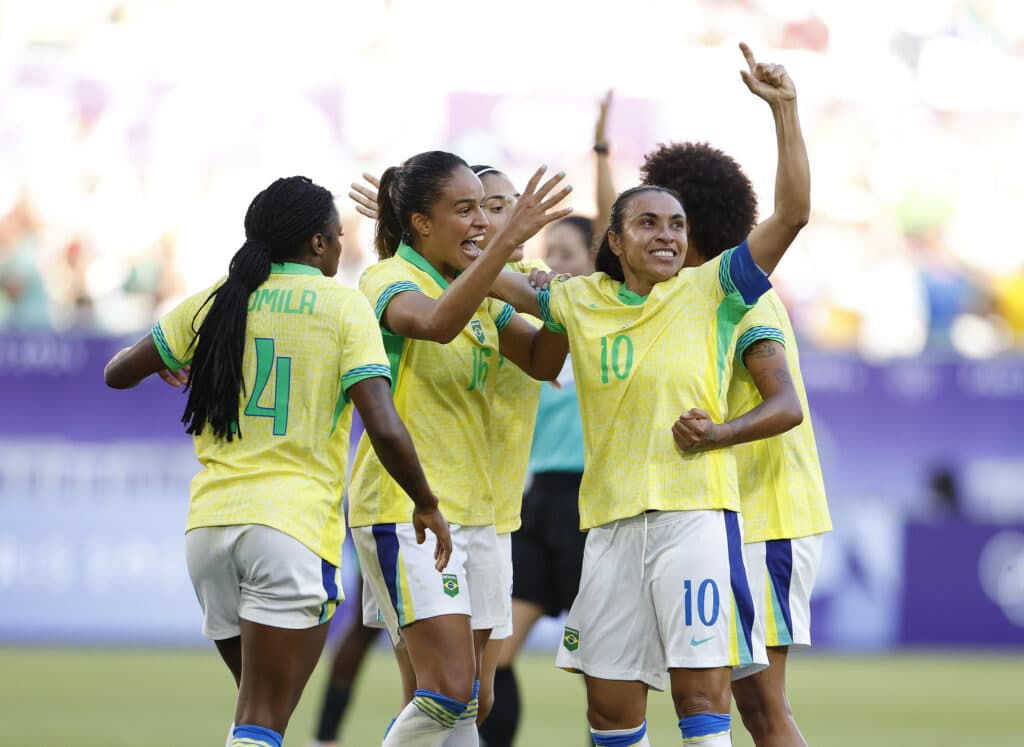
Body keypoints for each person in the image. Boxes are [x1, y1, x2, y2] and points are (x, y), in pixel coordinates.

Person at [489, 43, 810, 747]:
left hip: (694, 520)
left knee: (701, 695)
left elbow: (790, 215)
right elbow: (495, 283)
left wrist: (784, 109)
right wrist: (497, 234)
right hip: (605, 526)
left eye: (677, 225)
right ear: (615, 238)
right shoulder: (581, 300)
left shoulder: (714, 290)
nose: (666, 235)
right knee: (609, 707)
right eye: (648, 223)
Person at [103, 175, 451, 747]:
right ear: (317, 244)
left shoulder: (219, 297)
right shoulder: (342, 305)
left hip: (209, 530)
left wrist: (165, 362)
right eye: (338, 237)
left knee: (258, 716)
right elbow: (384, 425)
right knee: (261, 719)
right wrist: (426, 501)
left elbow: (119, 372)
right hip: (288, 530)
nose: (344, 247)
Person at [598, 57, 831, 747]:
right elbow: (608, 252)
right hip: (720, 516)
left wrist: (717, 434)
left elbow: (784, 404)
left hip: (766, 516)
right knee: (724, 705)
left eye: (668, 217)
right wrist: (601, 156)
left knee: (761, 709)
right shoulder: (685, 293)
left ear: (689, 223)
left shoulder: (740, 293)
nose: (656, 231)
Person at [311, 162, 555, 746]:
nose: (483, 221)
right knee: (447, 689)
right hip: (407, 508)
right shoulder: (387, 278)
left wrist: (563, 298)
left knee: (475, 698)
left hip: (482, 512)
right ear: (420, 223)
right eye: (467, 209)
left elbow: (545, 361)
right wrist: (501, 256)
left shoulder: (477, 281)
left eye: (488, 207)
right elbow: (438, 324)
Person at [481, 215, 595, 747]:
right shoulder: (534, 330)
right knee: (494, 656)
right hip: (537, 502)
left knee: (601, 660)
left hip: (588, 504)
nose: (555, 264)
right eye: (550, 252)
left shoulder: (608, 323)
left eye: (568, 253)